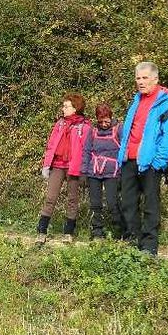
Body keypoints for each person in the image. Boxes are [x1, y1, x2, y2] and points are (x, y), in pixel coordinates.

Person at [117, 62, 168, 256]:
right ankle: (132, 238)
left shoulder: (166, 103)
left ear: (155, 79)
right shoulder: (136, 100)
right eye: (138, 78)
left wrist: (158, 163)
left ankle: (149, 245)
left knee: (151, 204)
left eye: (145, 78)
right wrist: (123, 154)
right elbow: (130, 131)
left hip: (151, 162)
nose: (141, 82)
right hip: (130, 159)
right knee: (128, 202)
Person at [36, 93, 91, 244]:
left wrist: (85, 170)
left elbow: (87, 150)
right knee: (50, 198)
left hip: (74, 167)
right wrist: (46, 164)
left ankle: (68, 233)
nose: (63, 109)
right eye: (64, 106)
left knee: (72, 199)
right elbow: (51, 144)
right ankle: (41, 231)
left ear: (75, 108)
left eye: (66, 106)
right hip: (58, 165)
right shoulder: (60, 124)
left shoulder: (85, 127)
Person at [80, 104, 125, 241]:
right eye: (101, 121)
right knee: (95, 204)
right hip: (94, 171)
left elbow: (124, 151)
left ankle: (121, 231)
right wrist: (83, 172)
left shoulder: (119, 129)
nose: (104, 124)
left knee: (113, 203)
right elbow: (87, 151)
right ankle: (97, 232)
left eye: (107, 121)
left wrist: (123, 172)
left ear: (111, 118)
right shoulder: (93, 132)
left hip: (112, 172)